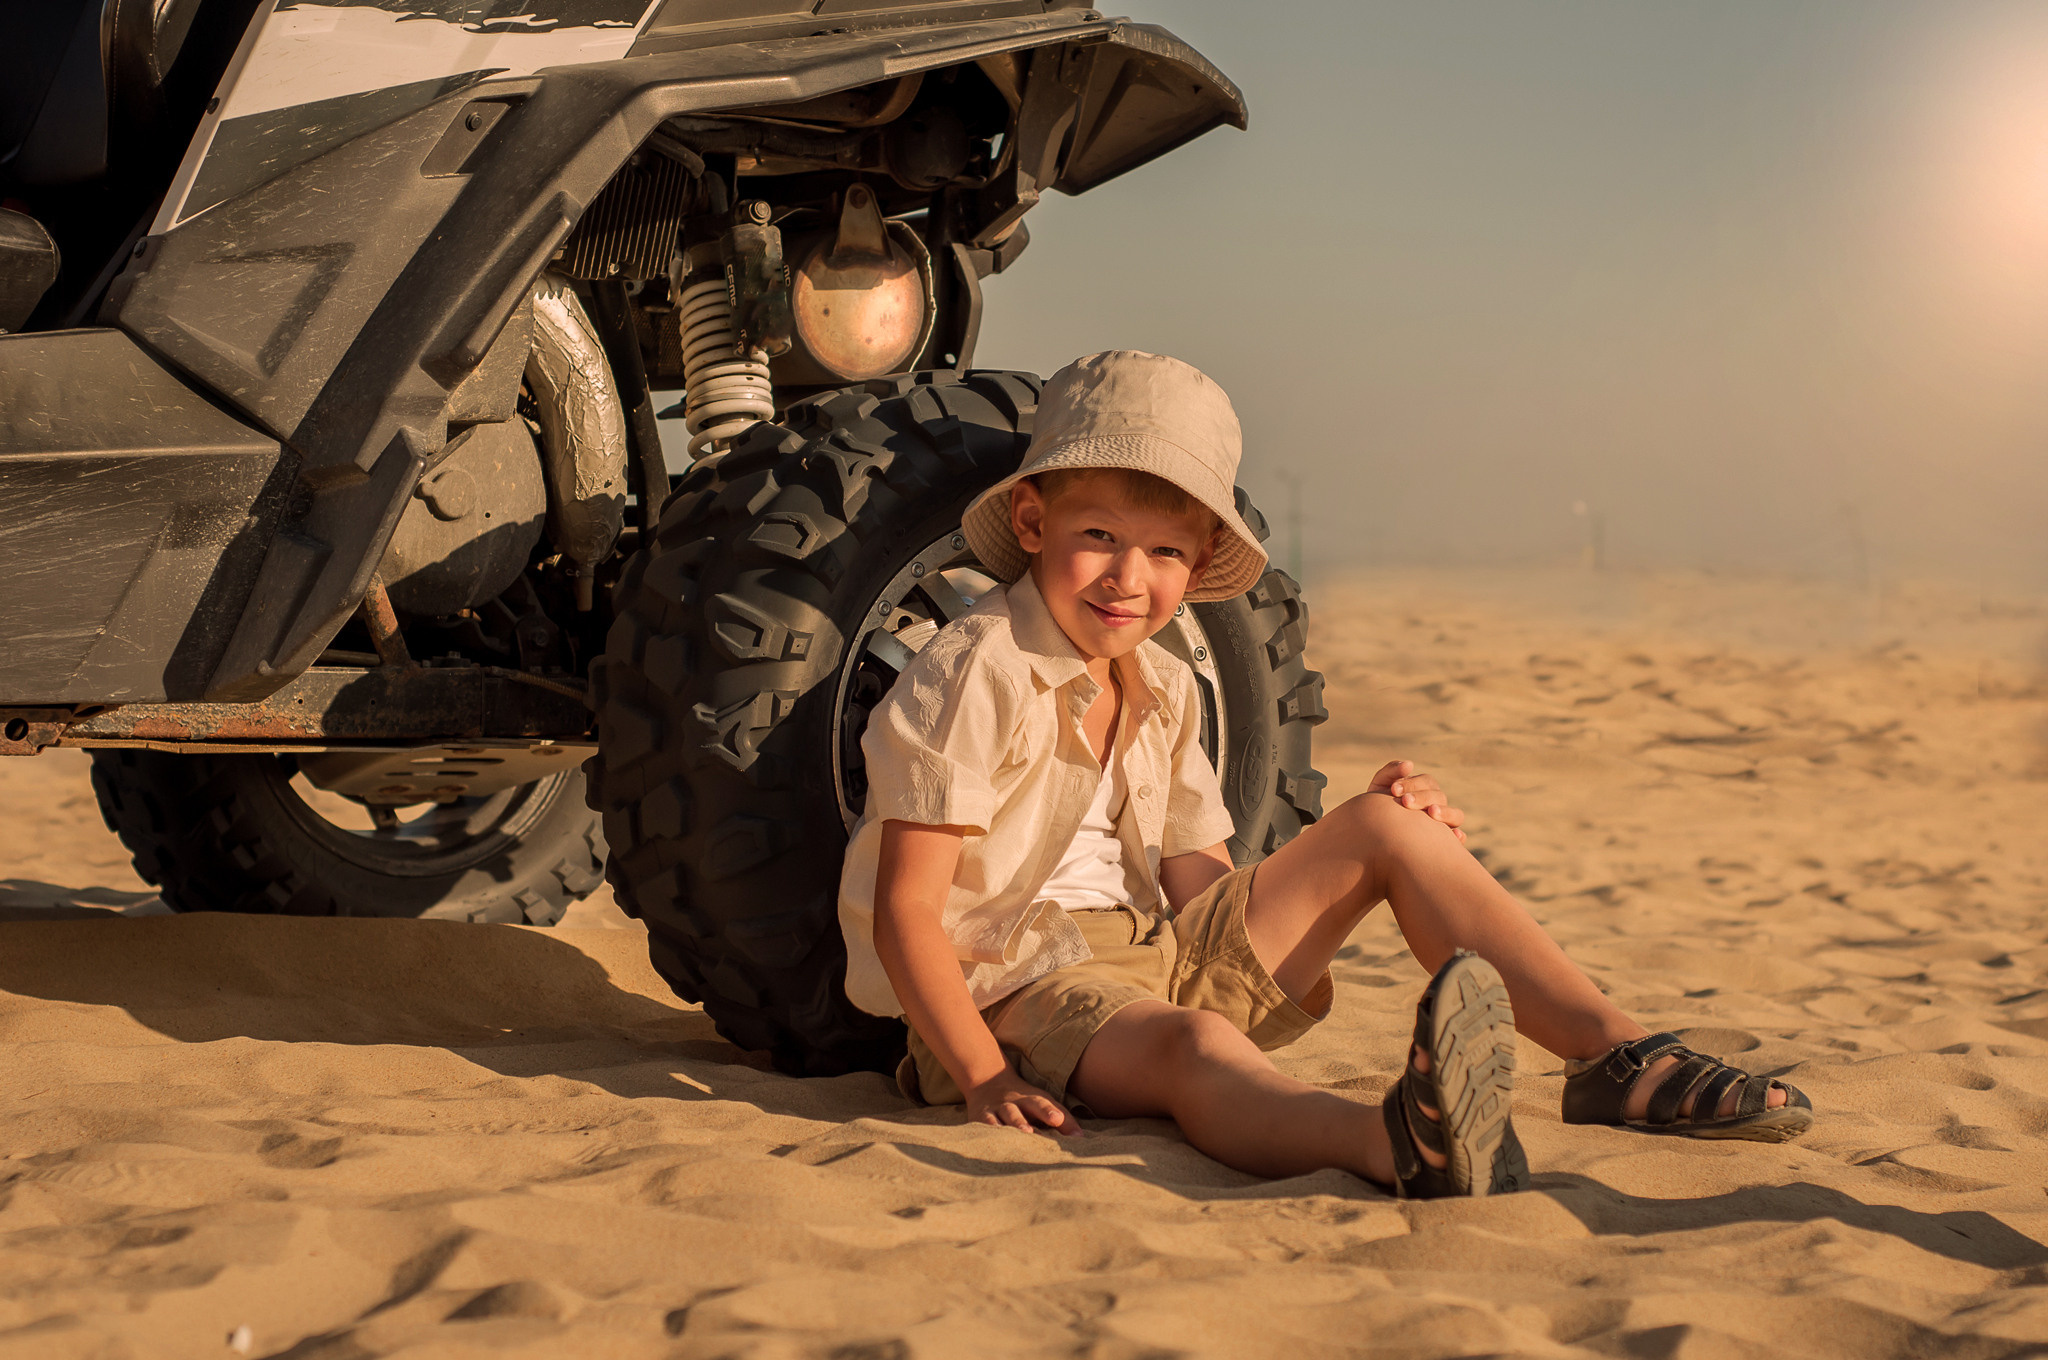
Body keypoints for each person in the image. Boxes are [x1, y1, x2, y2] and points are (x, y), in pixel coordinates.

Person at [835, 351, 1812, 1197]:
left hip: (1154, 956)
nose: (1128, 577)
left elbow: (1201, 894)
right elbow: (909, 911)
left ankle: (1612, 1055)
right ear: (1034, 521)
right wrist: (979, 1076)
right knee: (1194, 1047)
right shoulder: (978, 665)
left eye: (1164, 551)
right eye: (1099, 535)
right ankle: (1396, 1140)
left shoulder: (1166, 685)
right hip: (1015, 991)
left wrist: (1358, 851)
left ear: (1198, 561)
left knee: (1387, 826)